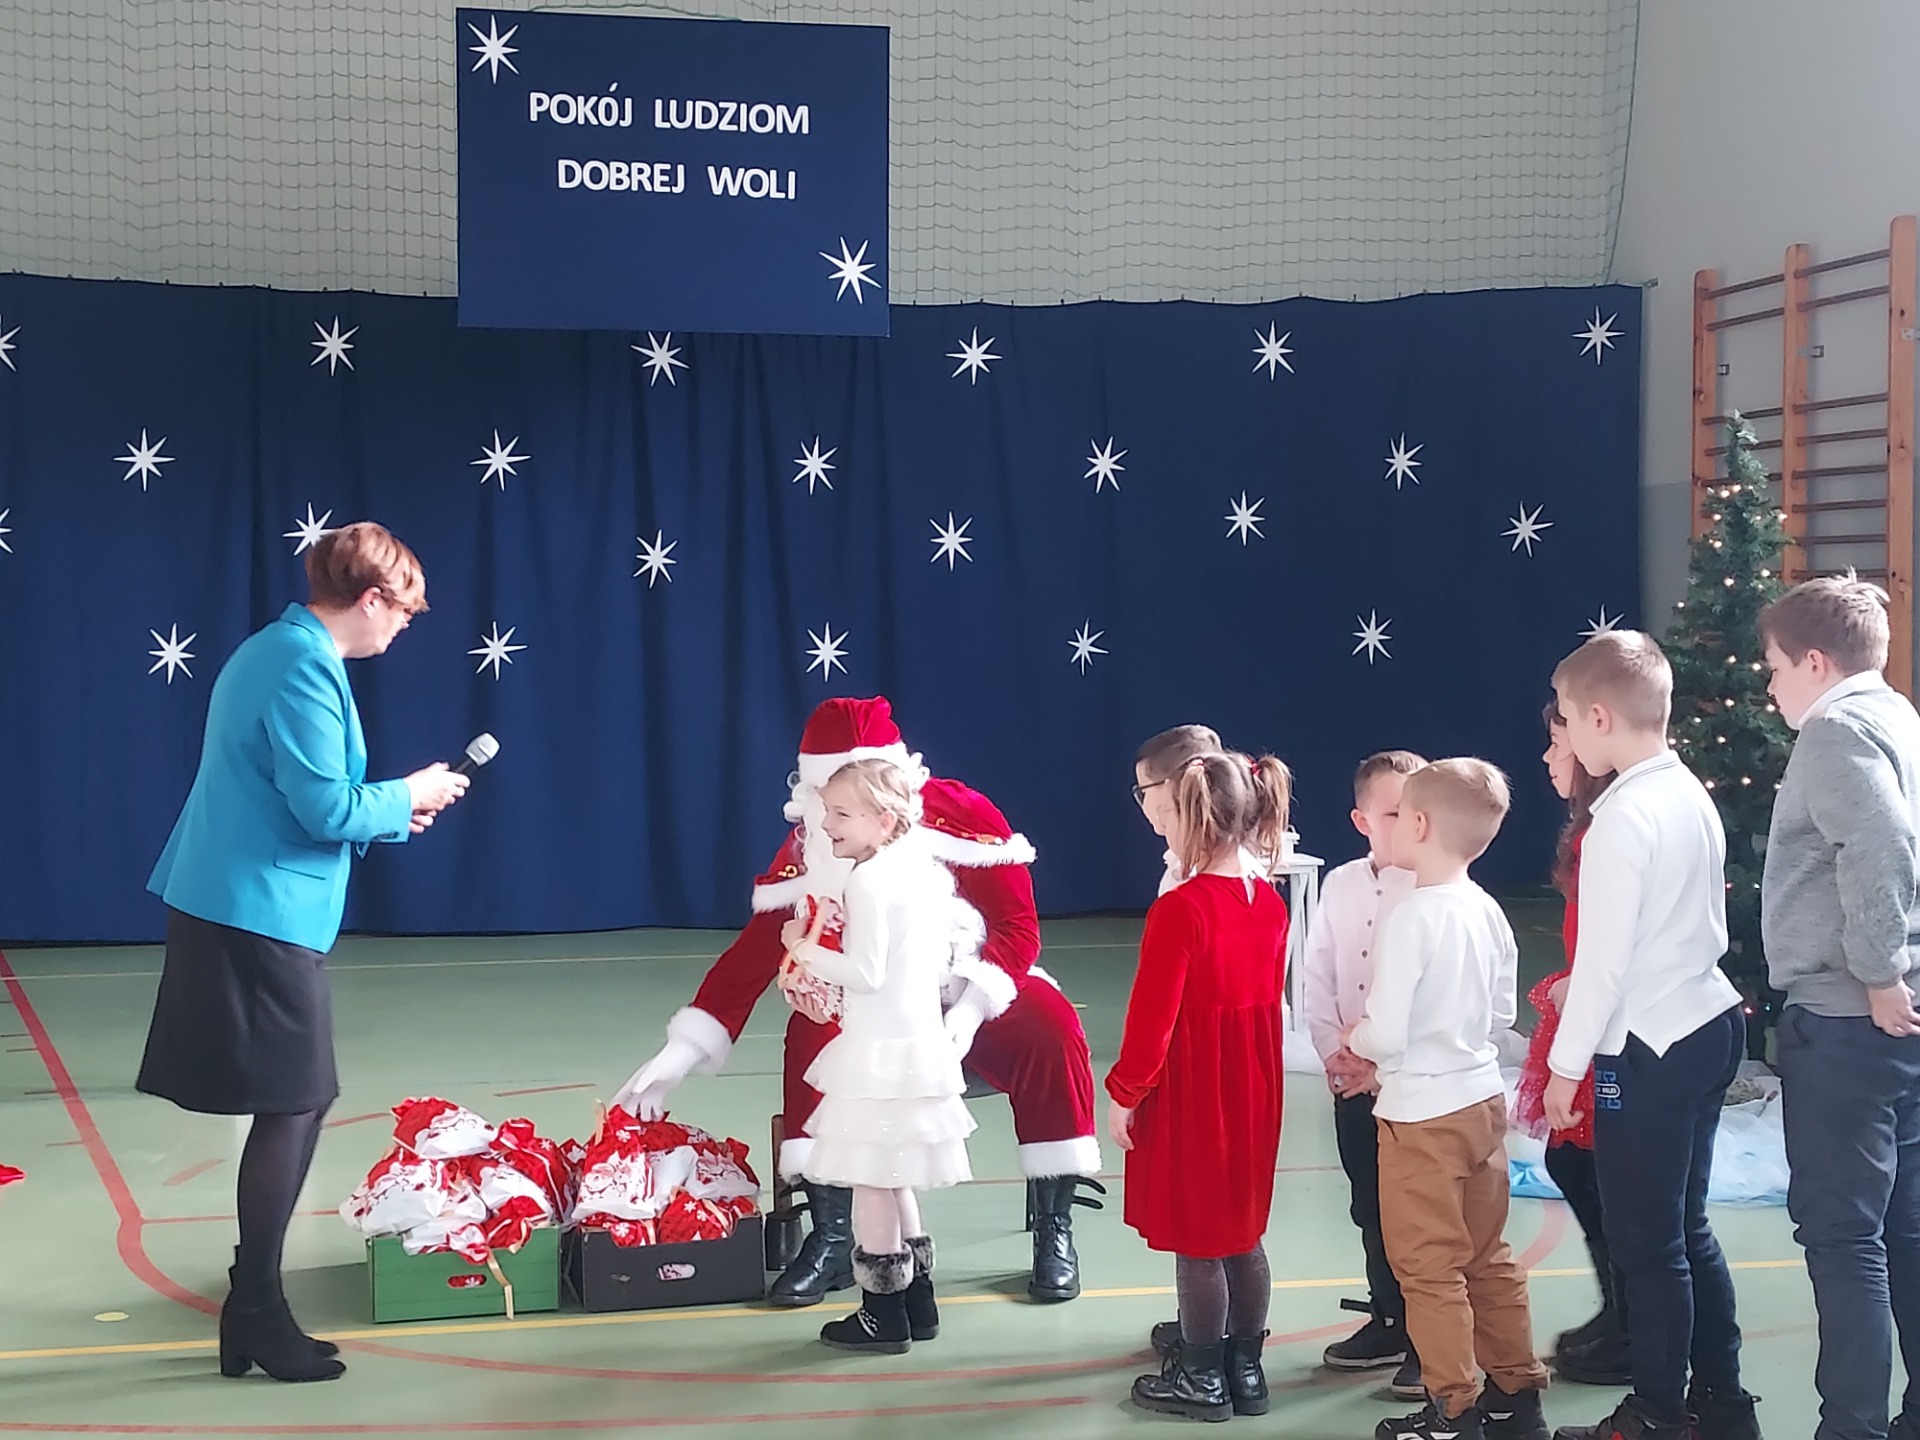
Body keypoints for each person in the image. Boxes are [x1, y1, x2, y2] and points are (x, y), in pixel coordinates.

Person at [613, 697, 1101, 1304]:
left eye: (839, 807)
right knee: (811, 1036)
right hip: (873, 1012)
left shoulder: (960, 820)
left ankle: (1054, 1224)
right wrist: (683, 1051)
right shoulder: (814, 845)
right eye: (821, 800)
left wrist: (971, 1010)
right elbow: (750, 957)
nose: (824, 819)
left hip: (963, 987)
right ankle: (833, 1235)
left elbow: (1017, 928)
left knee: (1049, 1025)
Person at [136, 522, 469, 1383]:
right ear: (372, 599)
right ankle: (254, 1309)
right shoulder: (300, 664)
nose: (404, 627)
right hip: (254, 909)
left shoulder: (278, 649)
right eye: (404, 612)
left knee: (300, 1101)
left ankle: (254, 1304)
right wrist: (408, 792)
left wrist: (391, 811)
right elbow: (325, 809)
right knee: (294, 1102)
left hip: (244, 901)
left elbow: (302, 798)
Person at [1545, 632, 1760, 1440]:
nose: (1568, 736)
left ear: (1599, 718)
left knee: (1647, 1244)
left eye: (1569, 719)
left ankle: (1658, 1414)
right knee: (1686, 1230)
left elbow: (1603, 966)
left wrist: (1565, 1067)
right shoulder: (1685, 790)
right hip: (1707, 1023)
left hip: (1649, 1047)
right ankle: (1722, 1403)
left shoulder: (1621, 818)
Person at [1760, 575, 1920, 1440]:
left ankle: (1851, 1426)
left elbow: (1882, 841)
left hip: (1851, 1016)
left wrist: (1879, 967)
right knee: (1905, 1227)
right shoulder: (1899, 716)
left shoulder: (1835, 731)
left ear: (1816, 663)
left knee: (1843, 1235)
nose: (1771, 687)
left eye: (1776, 669)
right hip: (1893, 1019)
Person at [1347, 759, 1549, 1440]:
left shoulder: (1411, 917)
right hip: (1481, 1103)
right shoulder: (1486, 909)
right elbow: (1500, 1017)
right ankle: (1516, 1398)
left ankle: (1453, 1412)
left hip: (1420, 1119)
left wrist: (1356, 1037)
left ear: (1420, 825)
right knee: (1488, 1256)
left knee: (1428, 1268)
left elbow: (1385, 1033)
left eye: (1400, 813)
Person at [1109, 748, 1293, 1422]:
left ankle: (1201, 1377)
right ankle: (1246, 1370)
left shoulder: (1181, 910)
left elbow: (1152, 1022)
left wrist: (1124, 1093)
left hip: (1196, 1089)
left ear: (1193, 820)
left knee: (1198, 1240)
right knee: (1240, 1232)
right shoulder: (1268, 902)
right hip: (1253, 1088)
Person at [780, 758, 976, 1353]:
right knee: (896, 1176)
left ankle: (882, 1313)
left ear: (884, 819)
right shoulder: (918, 871)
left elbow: (865, 973)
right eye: (827, 811)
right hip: (917, 1044)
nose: (827, 824)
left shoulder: (867, 880)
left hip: (878, 1053)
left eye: (842, 814)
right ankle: (919, 1303)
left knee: (870, 1180)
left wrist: (803, 949)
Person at [1304, 749, 1427, 1401]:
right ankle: (1389, 1317)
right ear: (1362, 821)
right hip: (1351, 1083)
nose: (1411, 822)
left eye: (1419, 809)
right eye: (1394, 812)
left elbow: (1434, 997)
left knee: (1417, 1213)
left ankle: (1429, 1337)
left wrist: (1382, 1066)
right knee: (1369, 1202)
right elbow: (1317, 971)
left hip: (1409, 1084)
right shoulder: (1341, 884)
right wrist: (1334, 1051)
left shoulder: (1434, 889)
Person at [1512, 705, 1627, 1385]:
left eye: (1558, 746)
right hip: (1586, 1009)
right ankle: (1620, 1309)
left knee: (1590, 1166)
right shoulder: (1589, 830)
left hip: (1604, 1023)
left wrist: (1574, 992)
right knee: (1574, 1160)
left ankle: (1631, 1320)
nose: (1549, 760)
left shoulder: (1612, 830)